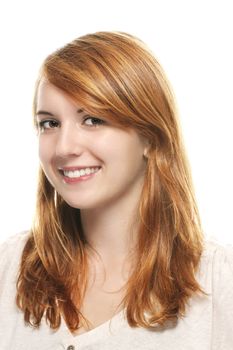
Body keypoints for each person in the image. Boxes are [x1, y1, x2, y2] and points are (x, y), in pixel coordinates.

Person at [0, 31, 232, 350]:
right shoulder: (7, 269)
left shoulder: (219, 285)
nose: (64, 147)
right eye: (50, 124)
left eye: (93, 119)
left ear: (151, 138)